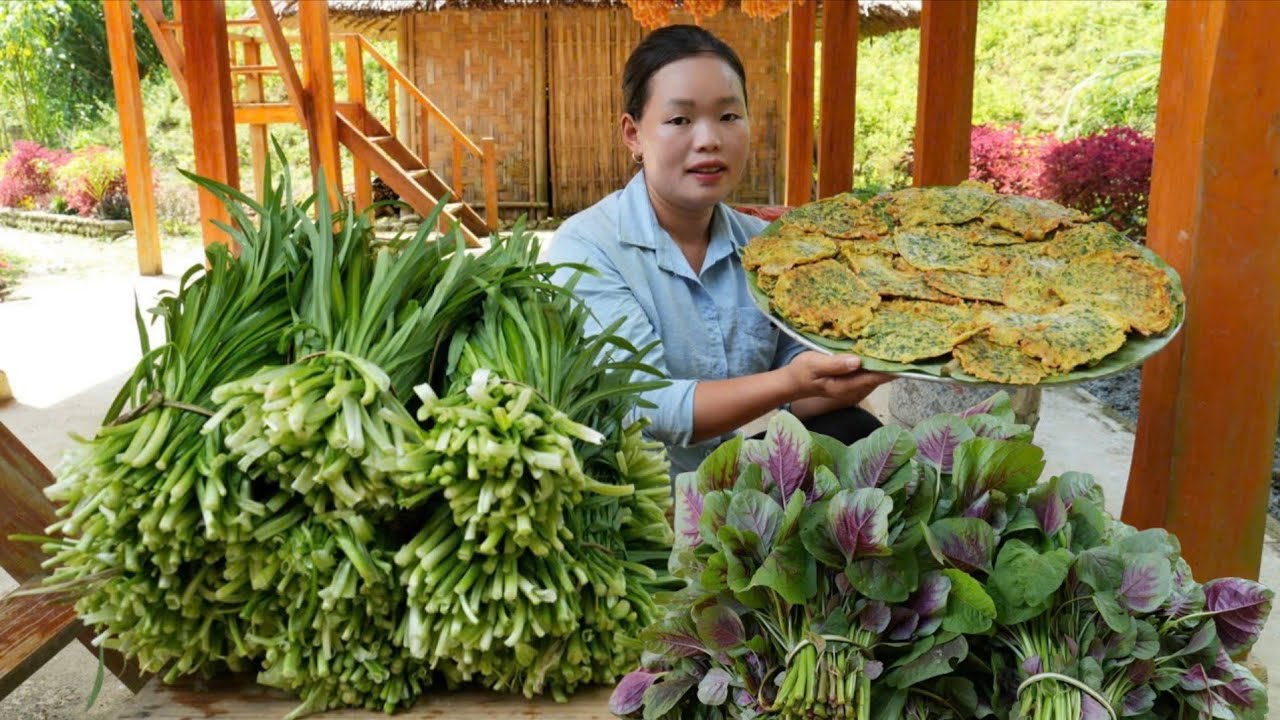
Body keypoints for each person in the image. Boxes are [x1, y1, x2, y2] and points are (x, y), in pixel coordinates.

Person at [549, 25, 893, 477]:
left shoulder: (767, 247)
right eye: (680, 120)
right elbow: (645, 407)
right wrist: (788, 382)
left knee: (855, 428)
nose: (709, 139)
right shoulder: (587, 247)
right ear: (633, 134)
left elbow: (800, 382)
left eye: (729, 116)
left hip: (736, 481)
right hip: (640, 498)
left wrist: (851, 373)